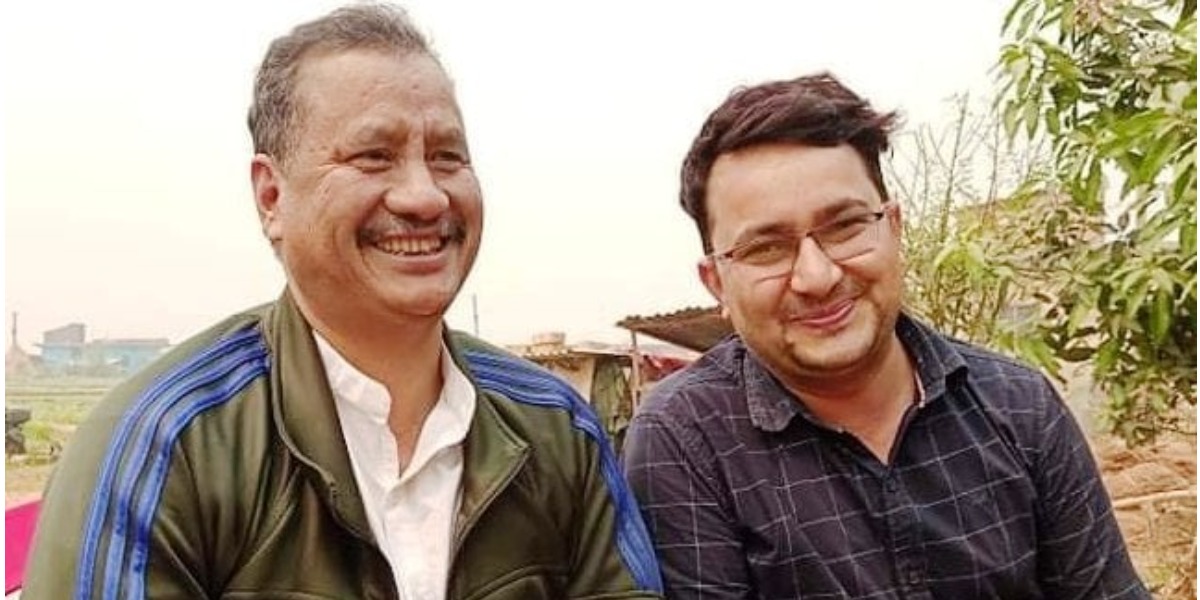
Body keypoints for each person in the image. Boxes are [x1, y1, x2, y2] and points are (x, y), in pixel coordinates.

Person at [22, 4, 662, 599]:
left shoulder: (558, 431)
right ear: (271, 197)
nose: (425, 196)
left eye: (447, 157)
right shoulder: (164, 445)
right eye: (374, 157)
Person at [623, 72, 1148, 599]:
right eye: (766, 248)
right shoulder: (685, 441)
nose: (817, 276)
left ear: (893, 227)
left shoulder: (1018, 406)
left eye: (845, 226)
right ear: (716, 282)